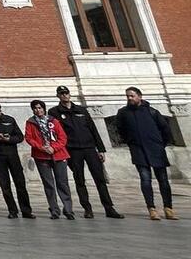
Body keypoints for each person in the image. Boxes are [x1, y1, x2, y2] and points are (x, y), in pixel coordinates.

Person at [49, 86, 122, 219]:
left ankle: (109, 207)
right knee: (79, 179)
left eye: (66, 93)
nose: (65, 95)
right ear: (58, 96)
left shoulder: (81, 110)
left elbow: (93, 129)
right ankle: (87, 208)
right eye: (62, 94)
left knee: (99, 178)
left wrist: (100, 149)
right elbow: (56, 133)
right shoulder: (55, 112)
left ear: (69, 95)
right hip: (73, 149)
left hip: (89, 148)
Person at [115, 86, 177, 221]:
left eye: (132, 96)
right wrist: (131, 142)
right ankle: (152, 209)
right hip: (138, 151)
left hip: (156, 150)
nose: (129, 98)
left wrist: (161, 144)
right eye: (127, 96)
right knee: (145, 180)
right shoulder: (123, 113)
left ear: (139, 96)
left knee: (163, 181)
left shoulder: (152, 111)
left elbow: (165, 129)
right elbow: (120, 130)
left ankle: (168, 208)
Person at [24, 99, 74, 220]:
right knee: (49, 184)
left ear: (44, 109)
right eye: (35, 108)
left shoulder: (54, 121)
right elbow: (29, 138)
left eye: (40, 108)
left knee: (62, 183)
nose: (38, 110)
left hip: (58, 155)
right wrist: (42, 148)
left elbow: (62, 137)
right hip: (42, 156)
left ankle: (68, 209)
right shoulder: (30, 123)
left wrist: (54, 148)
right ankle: (54, 210)